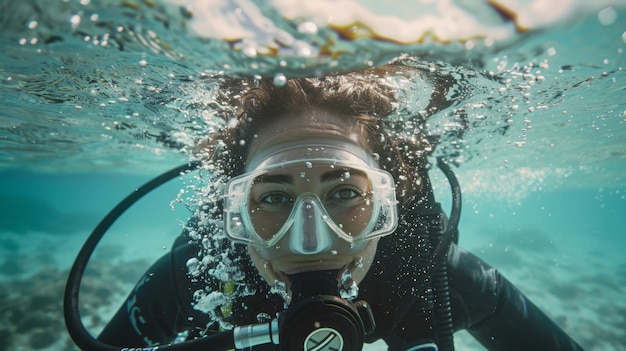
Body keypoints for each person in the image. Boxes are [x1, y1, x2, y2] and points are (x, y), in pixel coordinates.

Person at [98, 59, 584, 351]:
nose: (312, 240)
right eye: (273, 197)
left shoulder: (435, 280)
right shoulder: (198, 277)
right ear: (235, 211)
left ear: (390, 202)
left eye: (347, 192)